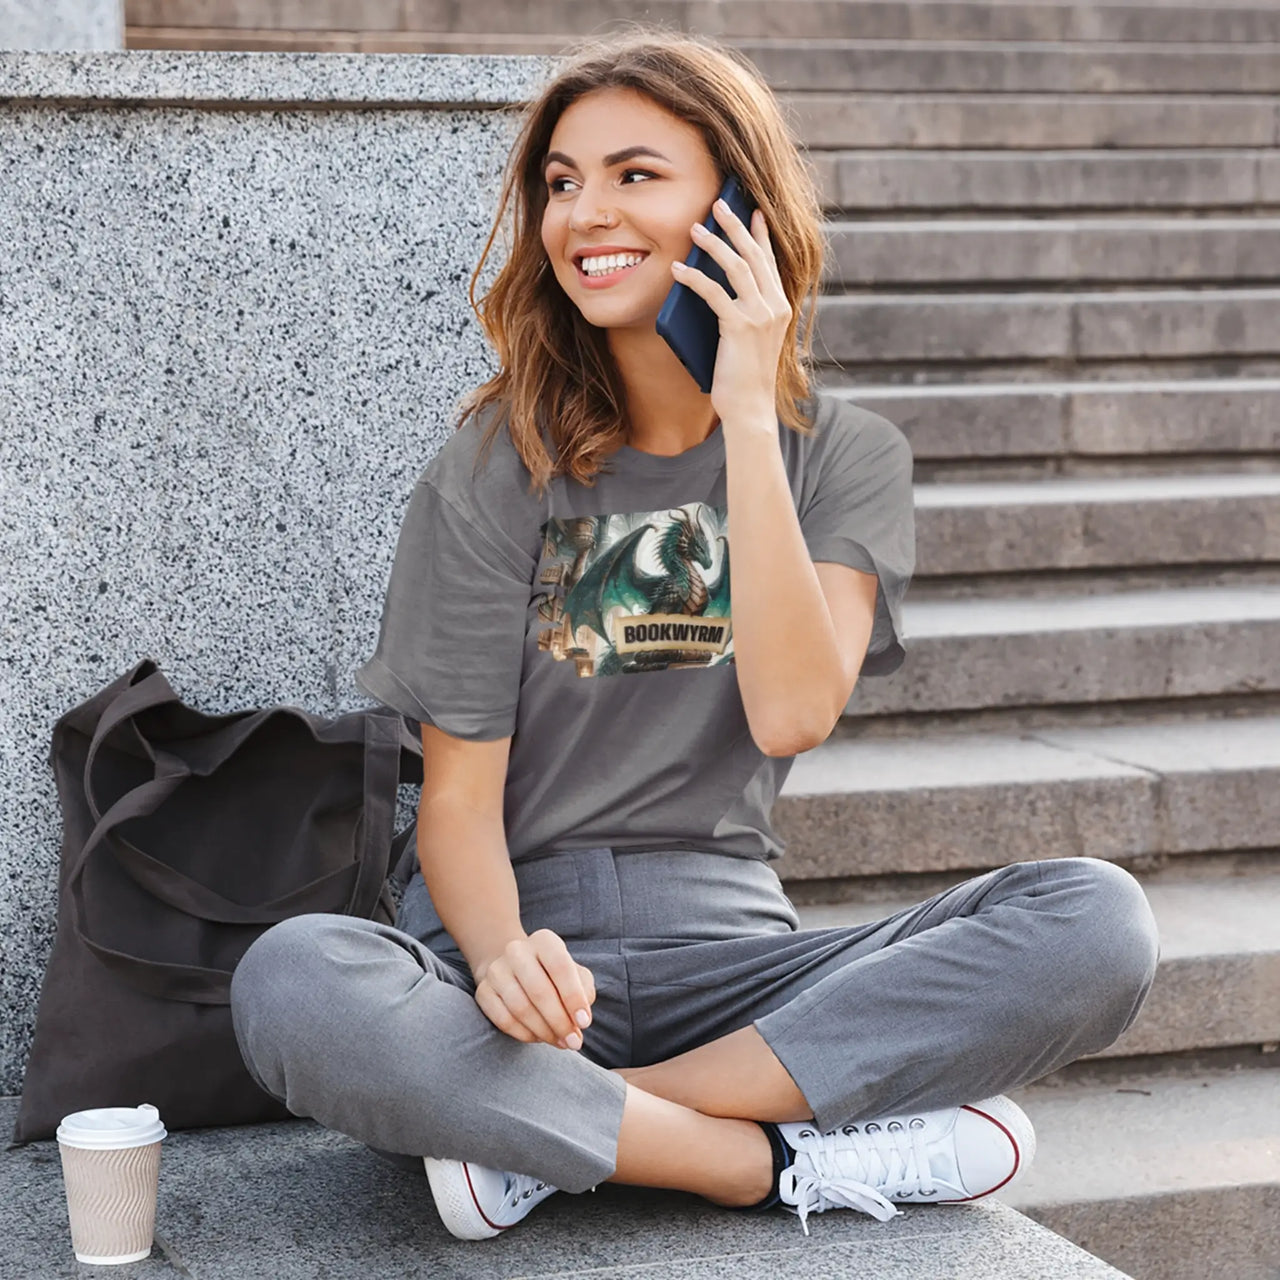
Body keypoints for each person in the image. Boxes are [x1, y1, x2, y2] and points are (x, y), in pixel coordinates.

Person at [228, 27, 1160, 1242]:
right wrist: (505, 954)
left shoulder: (844, 458)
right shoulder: (494, 463)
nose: (581, 214)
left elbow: (790, 711)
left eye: (632, 174)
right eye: (560, 182)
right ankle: (751, 1160)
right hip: (519, 960)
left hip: (734, 966)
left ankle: (543, 1132)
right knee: (292, 978)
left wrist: (745, 416)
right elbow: (455, 802)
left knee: (1094, 920)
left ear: (738, 210)